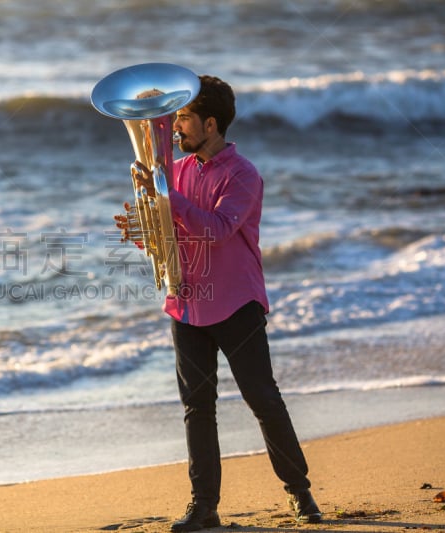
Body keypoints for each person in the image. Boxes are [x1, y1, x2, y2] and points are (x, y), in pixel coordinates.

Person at [115, 75, 322, 532]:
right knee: (197, 407)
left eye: (183, 119)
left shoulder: (243, 174)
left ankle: (299, 490)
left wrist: (168, 202)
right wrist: (144, 230)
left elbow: (219, 229)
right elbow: (172, 235)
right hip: (187, 302)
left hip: (236, 303)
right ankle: (203, 505)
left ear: (211, 124)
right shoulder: (180, 172)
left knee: (262, 399)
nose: (173, 128)